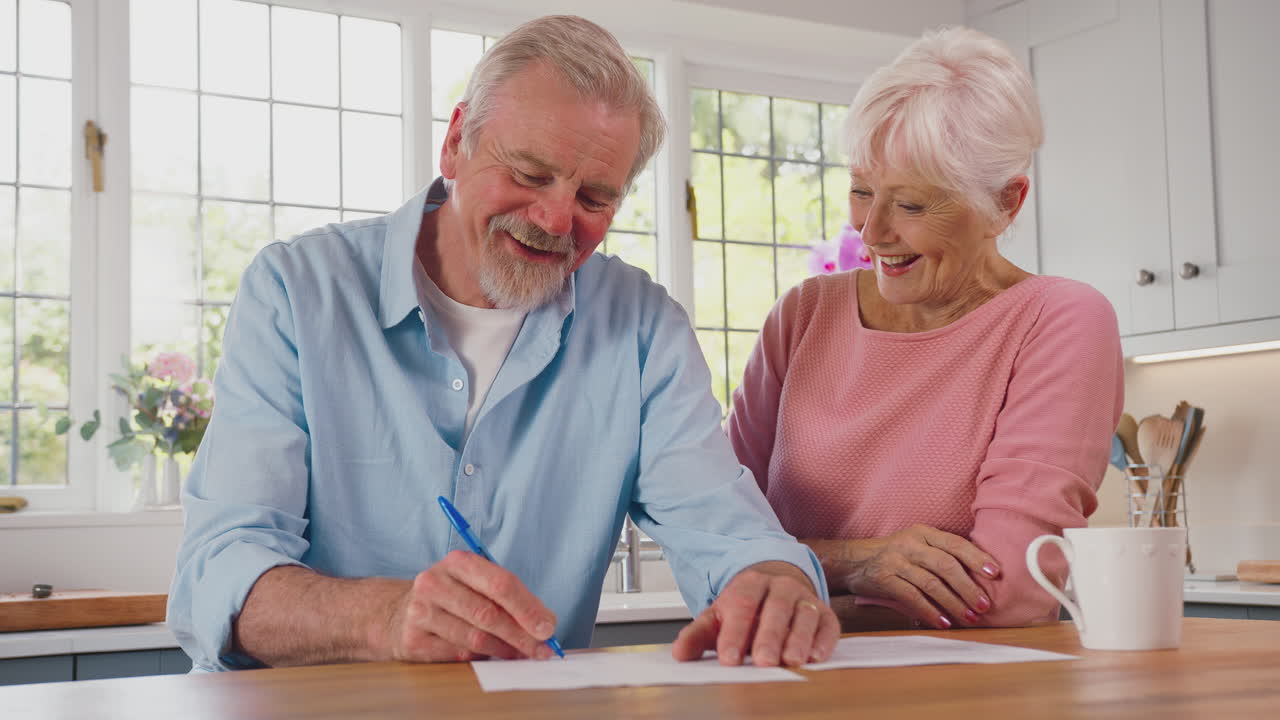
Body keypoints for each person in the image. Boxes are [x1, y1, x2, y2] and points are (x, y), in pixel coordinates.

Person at [168, 15, 838, 672]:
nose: (555, 219)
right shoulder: (297, 290)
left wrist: (772, 580)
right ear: (457, 141)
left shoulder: (642, 327)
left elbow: (722, 523)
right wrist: (383, 617)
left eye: (595, 197)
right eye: (529, 174)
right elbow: (221, 571)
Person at [726, 27, 1124, 631]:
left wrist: (797, 571)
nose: (873, 231)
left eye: (912, 205)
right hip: (788, 675)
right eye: (862, 191)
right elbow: (719, 536)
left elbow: (1009, 589)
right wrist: (856, 563)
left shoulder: (1059, 321)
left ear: (1006, 204)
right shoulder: (803, 316)